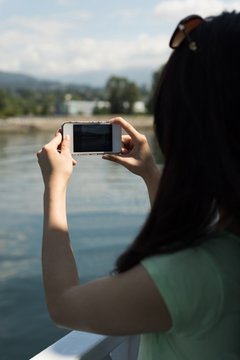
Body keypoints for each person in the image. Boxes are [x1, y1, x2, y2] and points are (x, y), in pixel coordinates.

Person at [37, 11, 240, 359]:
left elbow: (63, 304)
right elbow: (184, 239)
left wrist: (54, 188)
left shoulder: (199, 273)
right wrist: (151, 174)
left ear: (185, 127)